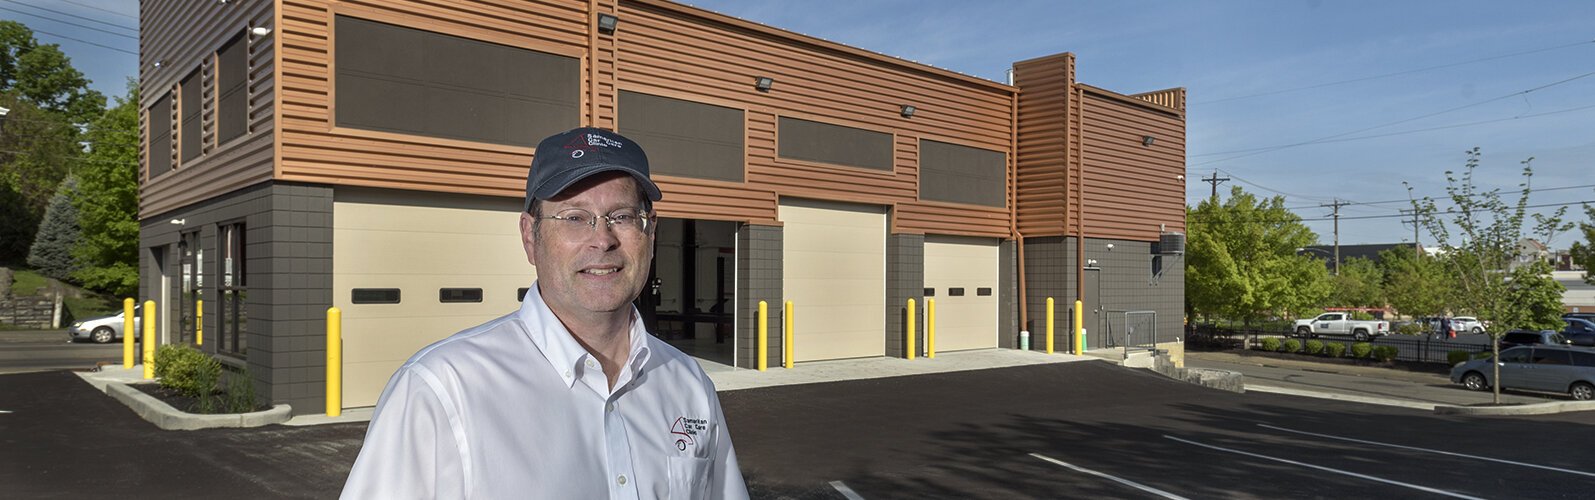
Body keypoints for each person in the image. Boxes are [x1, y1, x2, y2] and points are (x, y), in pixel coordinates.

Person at [342, 127, 749, 499]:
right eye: (574, 218)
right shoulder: (441, 390)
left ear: (650, 234)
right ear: (529, 237)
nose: (602, 239)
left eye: (622, 217)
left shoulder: (688, 384)